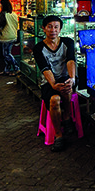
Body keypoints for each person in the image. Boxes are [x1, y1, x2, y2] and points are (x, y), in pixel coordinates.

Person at [32, 15, 77, 152]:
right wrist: (53, 85)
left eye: (56, 27)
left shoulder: (68, 42)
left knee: (67, 86)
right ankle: (58, 135)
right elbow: (45, 68)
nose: (53, 30)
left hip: (66, 77)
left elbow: (70, 60)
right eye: (50, 27)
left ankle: (67, 116)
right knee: (54, 99)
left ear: (60, 29)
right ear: (43, 28)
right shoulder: (38, 48)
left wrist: (72, 78)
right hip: (49, 81)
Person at [0, 0, 19, 76]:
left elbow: (0, 27)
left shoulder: (2, 14)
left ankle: (16, 68)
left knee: (7, 54)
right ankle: (7, 70)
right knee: (7, 54)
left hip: (6, 36)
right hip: (13, 35)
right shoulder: (14, 14)